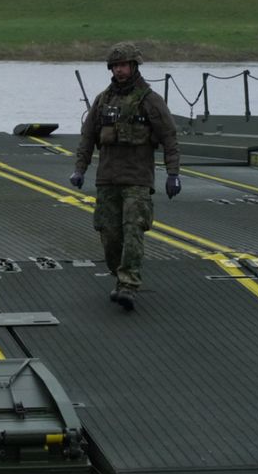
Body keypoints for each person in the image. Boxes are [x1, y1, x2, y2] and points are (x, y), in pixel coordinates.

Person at [69, 42, 181, 311]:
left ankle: (128, 285)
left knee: (133, 233)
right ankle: (118, 277)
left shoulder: (151, 101)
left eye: (124, 65)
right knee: (109, 236)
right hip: (107, 179)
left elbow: (169, 138)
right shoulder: (102, 101)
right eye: (116, 66)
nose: (120, 70)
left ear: (134, 66)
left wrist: (173, 174)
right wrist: (80, 169)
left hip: (137, 180)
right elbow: (87, 138)